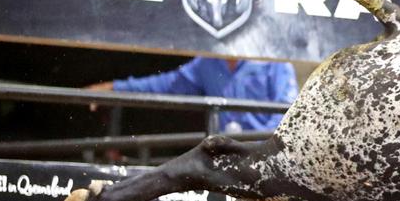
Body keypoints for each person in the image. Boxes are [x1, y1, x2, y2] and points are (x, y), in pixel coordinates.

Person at [86, 57, 297, 132]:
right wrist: (115, 88)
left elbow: (287, 117)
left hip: (267, 160)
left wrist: (260, 149)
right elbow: (167, 84)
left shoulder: (274, 60)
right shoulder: (207, 63)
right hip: (227, 157)